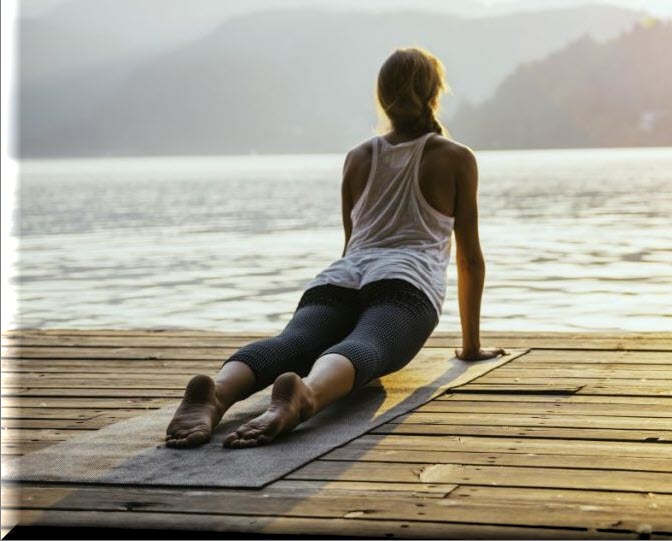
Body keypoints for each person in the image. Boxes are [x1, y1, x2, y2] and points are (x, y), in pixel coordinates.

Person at [164, 47, 506, 449]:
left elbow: (351, 243)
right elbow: (469, 259)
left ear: (383, 98)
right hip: (405, 284)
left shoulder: (358, 157)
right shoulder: (455, 158)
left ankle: (218, 390)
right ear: (435, 94)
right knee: (366, 347)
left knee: (290, 344)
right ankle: (305, 395)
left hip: (340, 278)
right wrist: (469, 347)